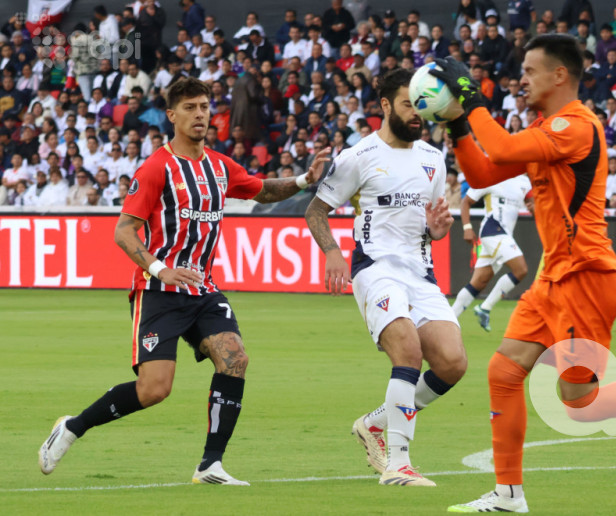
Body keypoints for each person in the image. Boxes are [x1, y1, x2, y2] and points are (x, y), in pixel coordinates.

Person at [431, 35, 616, 513]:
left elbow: (502, 145)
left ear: (560, 75)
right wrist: (456, 124)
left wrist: (471, 99)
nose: (522, 79)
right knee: (504, 370)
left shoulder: (574, 127)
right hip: (556, 279)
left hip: (585, 277)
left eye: (531, 70)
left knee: (580, 402)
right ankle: (509, 494)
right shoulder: (546, 130)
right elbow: (483, 172)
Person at [38, 77, 330, 485]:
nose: (199, 115)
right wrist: (160, 268)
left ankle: (210, 465)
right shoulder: (157, 167)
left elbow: (260, 190)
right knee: (154, 389)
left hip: (203, 289)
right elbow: (124, 231)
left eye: (205, 107)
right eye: (190, 108)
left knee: (235, 358)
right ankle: (73, 427)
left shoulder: (219, 165)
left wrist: (303, 180)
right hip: (160, 292)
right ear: (172, 116)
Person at [305, 69, 467, 487]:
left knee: (452, 364)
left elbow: (433, 225)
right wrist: (332, 253)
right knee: (408, 353)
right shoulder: (358, 156)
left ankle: (375, 422)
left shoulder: (433, 158)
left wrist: (438, 228)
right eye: (409, 104)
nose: (418, 114)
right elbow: (316, 211)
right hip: (375, 269)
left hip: (420, 273)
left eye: (421, 106)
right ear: (384, 106)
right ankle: (399, 463)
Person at [451, 175, 533, 331]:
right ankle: (485, 307)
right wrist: (467, 228)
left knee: (479, 282)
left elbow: (535, 204)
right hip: (492, 230)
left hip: (504, 234)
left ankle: (448, 320)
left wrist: (536, 209)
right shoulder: (491, 176)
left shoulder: (524, 181)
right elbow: (466, 202)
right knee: (521, 269)